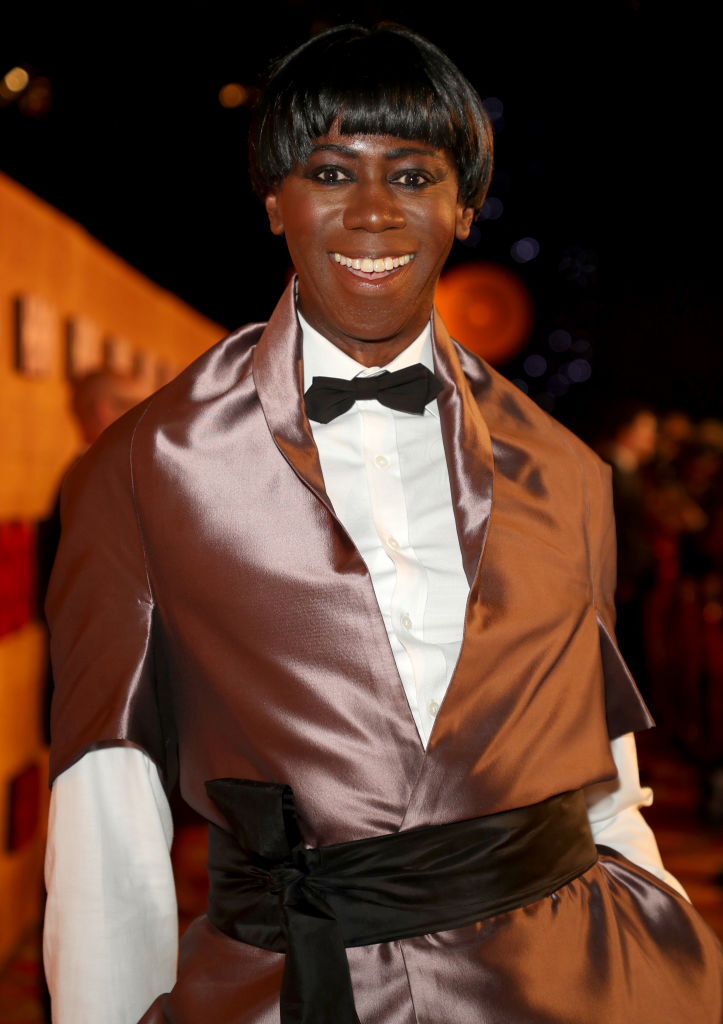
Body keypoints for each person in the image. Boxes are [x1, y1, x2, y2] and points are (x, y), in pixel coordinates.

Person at [43, 23, 722, 1024]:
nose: (371, 211)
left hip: (575, 980)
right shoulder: (145, 469)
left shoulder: (567, 472)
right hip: (304, 989)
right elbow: (107, 828)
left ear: (463, 208)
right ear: (273, 201)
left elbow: (604, 795)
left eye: (411, 176)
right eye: (330, 172)